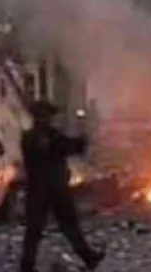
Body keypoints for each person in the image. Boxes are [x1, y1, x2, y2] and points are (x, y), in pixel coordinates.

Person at [19, 100, 104, 272]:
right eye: (45, 115)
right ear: (38, 117)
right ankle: (26, 266)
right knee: (34, 230)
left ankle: (88, 257)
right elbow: (39, 154)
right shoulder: (30, 138)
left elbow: (71, 146)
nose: (49, 119)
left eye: (49, 116)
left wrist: (82, 137)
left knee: (70, 226)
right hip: (39, 191)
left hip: (58, 189)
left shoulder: (52, 134)